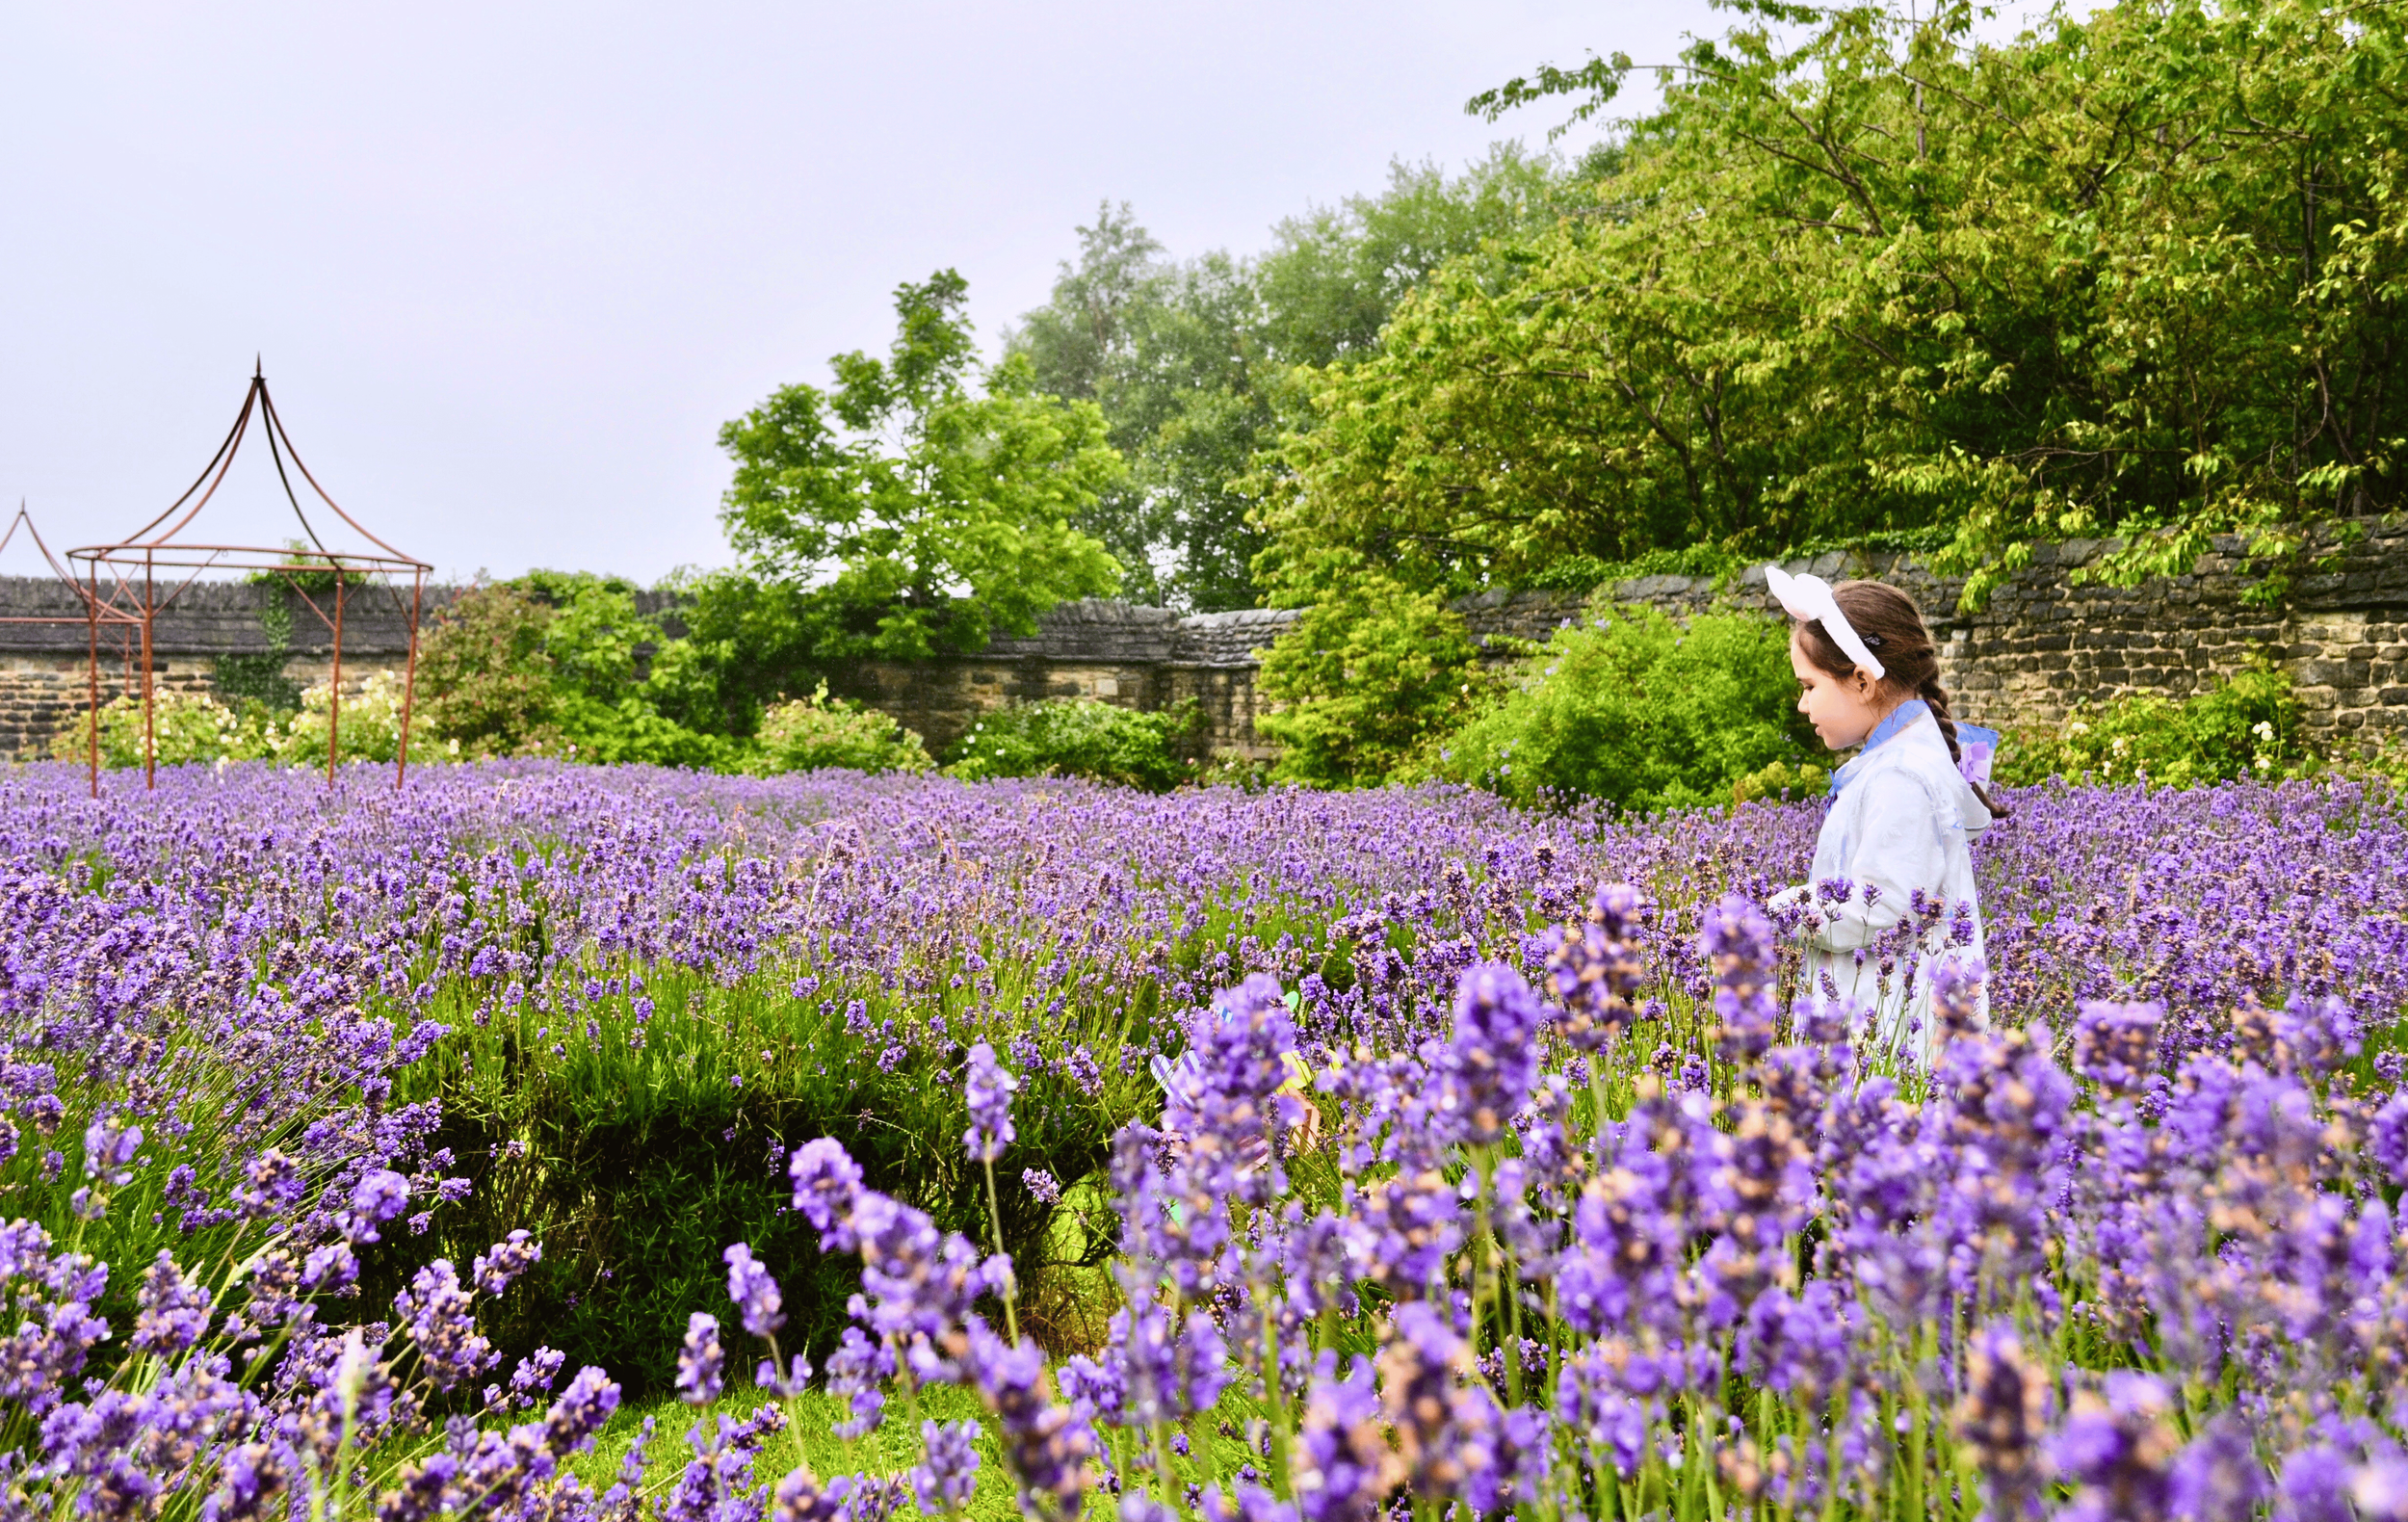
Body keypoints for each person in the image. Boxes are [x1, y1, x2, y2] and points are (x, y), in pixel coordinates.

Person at [1762, 569, 2005, 1064]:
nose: (1803, 704)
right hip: (1888, 1022)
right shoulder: (1897, 763)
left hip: (1894, 1035)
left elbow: (1879, 906)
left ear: (1862, 679)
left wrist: (1776, 910)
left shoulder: (1900, 776)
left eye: (1809, 687)